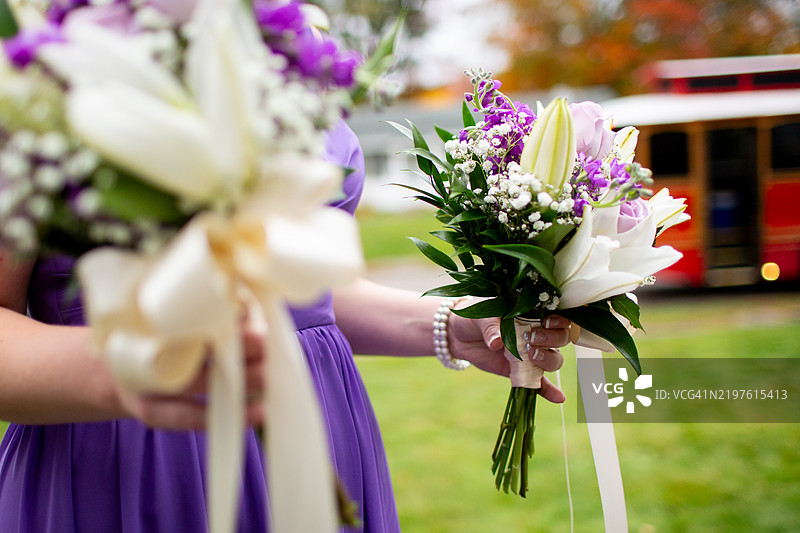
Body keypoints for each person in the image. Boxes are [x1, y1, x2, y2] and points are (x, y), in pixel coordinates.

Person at [0, 121, 569, 532]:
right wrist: (131, 370)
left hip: (321, 431)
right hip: (133, 461)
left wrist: (449, 325)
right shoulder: (38, 67)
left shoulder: (291, 37)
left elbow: (294, 293)